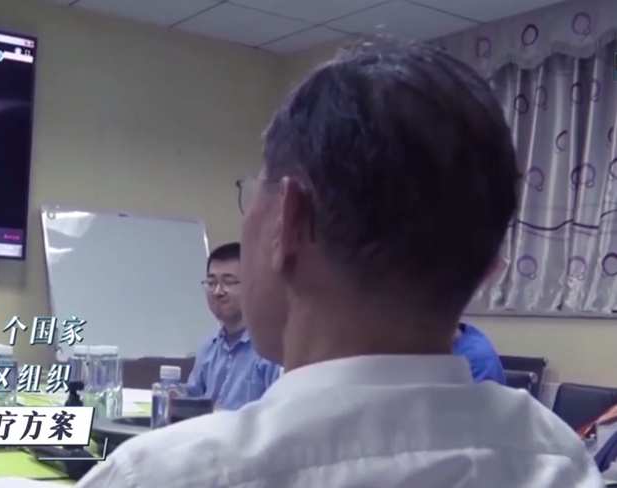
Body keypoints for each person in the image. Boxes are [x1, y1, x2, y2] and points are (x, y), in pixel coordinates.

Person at [76, 40, 603, 487]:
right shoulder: (557, 460)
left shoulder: (165, 474)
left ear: (289, 221)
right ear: (490, 269)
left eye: (251, 194)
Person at [186, 242, 282, 410]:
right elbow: (190, 404)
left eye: (228, 282)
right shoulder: (208, 348)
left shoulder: (271, 349)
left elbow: (277, 413)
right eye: (211, 283)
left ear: (252, 286)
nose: (217, 291)